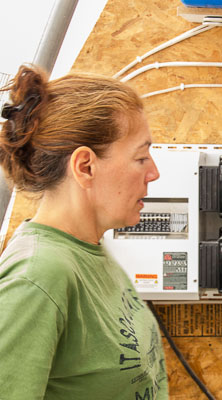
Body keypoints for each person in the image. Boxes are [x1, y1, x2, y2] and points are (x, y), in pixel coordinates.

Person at [0, 64, 168, 399]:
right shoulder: (37, 278)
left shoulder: (90, 251)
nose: (154, 173)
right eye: (140, 158)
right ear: (85, 167)